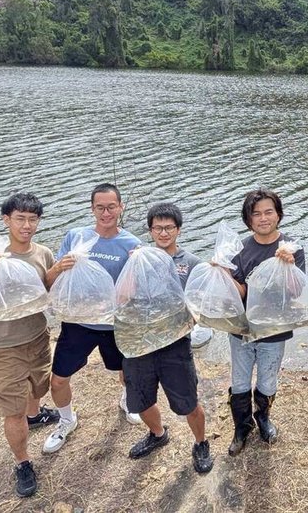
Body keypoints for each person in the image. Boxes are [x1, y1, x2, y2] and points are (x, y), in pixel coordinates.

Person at [0, 193, 59, 497]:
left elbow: (45, 290)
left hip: (37, 336)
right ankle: (22, 462)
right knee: (12, 411)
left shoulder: (42, 253)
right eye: (20, 218)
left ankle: (35, 415)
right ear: (6, 220)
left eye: (33, 219)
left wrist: (62, 270)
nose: (27, 225)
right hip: (2, 345)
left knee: (37, 389)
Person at [42, 183, 142, 454]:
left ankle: (126, 401)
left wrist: (138, 267)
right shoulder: (76, 237)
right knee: (59, 379)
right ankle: (66, 420)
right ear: (92, 209)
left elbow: (137, 292)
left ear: (120, 207)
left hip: (115, 324)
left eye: (111, 207)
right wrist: (59, 267)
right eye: (100, 207)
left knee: (126, 373)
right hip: (78, 322)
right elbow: (50, 282)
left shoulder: (132, 244)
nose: (106, 213)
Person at [121, 202, 213, 472]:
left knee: (188, 402)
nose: (163, 233)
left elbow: (201, 305)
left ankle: (201, 442)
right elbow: (122, 300)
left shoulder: (191, 263)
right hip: (140, 345)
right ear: (150, 231)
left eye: (169, 227)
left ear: (179, 230)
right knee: (141, 399)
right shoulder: (138, 259)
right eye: (157, 228)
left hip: (175, 346)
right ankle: (157, 434)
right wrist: (132, 264)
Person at [226, 188, 305, 456]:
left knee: (268, 381)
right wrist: (223, 273)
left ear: (278, 214)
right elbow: (242, 293)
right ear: (248, 219)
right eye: (256, 213)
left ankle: (263, 419)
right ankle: (241, 428)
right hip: (242, 330)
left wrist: (289, 266)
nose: (263, 218)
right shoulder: (240, 250)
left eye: (268, 212)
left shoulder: (291, 247)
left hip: (275, 330)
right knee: (239, 382)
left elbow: (295, 291)